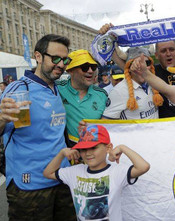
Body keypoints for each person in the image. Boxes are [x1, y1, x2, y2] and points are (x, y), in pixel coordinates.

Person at [0, 34, 75, 220]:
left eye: (65, 59)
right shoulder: (19, 89)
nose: (61, 64)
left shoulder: (56, 87)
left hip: (61, 178)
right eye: (55, 58)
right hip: (29, 185)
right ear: (38, 56)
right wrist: (2, 119)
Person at [43, 124, 150, 220]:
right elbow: (48, 173)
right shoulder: (74, 172)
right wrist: (61, 153)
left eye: (93, 148)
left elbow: (143, 167)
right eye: (83, 149)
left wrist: (122, 147)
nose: (88, 153)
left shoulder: (116, 171)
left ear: (108, 148)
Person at [57, 49, 108, 145]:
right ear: (70, 71)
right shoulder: (56, 89)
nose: (90, 71)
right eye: (84, 67)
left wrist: (93, 131)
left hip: (93, 151)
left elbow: (109, 126)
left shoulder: (102, 95)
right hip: (66, 153)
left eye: (93, 67)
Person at [102, 47, 163, 119]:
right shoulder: (119, 91)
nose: (142, 67)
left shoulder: (154, 83)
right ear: (129, 67)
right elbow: (106, 122)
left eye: (147, 63)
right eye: (136, 63)